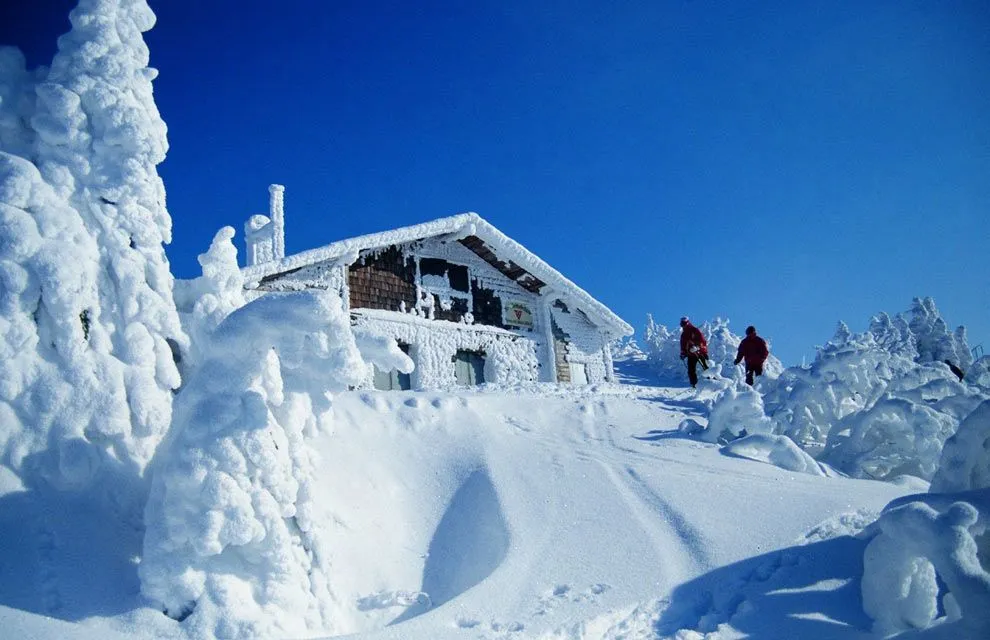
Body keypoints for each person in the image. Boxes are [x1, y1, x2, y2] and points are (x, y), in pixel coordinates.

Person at [679, 317, 708, 388]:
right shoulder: (683, 334)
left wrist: (697, 347)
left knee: (706, 368)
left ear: (687, 322)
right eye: (682, 324)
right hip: (691, 355)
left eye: (684, 323)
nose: (683, 325)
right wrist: (683, 353)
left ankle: (713, 383)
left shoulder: (694, 330)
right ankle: (694, 385)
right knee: (691, 371)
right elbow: (683, 345)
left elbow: (702, 341)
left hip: (700, 353)